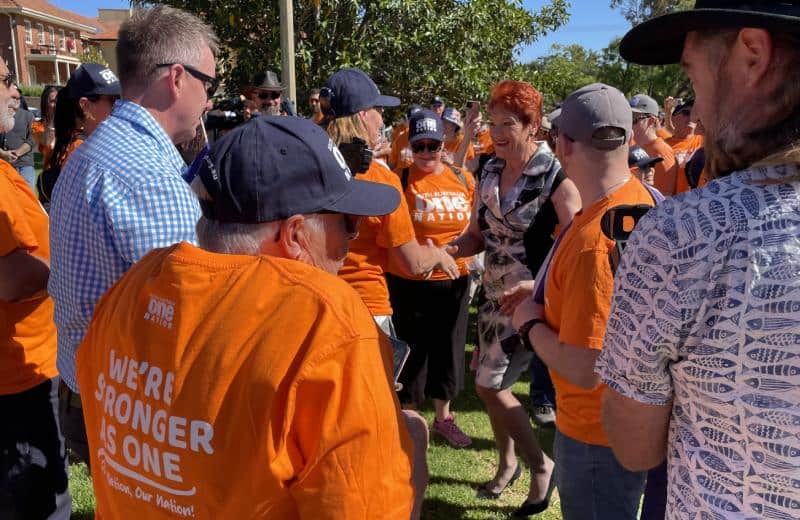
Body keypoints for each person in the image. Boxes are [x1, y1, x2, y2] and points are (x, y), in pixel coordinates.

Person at [76, 115, 415, 519]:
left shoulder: (134, 285)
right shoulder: (326, 320)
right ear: (293, 235)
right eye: (348, 225)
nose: (350, 243)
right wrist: (411, 460)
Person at [598, 3, 800, 520]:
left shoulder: (682, 235)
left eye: (694, 75)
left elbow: (634, 446)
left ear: (752, 55)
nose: (698, 113)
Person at [48, 5, 217, 467]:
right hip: (139, 412)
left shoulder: (89, 153)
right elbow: (189, 325)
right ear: (177, 78)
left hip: (90, 394)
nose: (209, 102)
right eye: (210, 85)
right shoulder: (149, 177)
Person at [513, 83, 654, 520]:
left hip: (594, 434)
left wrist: (529, 322)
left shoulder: (596, 238)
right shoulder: (639, 202)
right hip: (627, 425)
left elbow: (585, 366)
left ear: (565, 143)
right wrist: (545, 299)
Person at [323, 67, 454, 518]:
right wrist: (438, 254)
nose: (384, 120)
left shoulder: (311, 162)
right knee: (388, 426)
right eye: (379, 110)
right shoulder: (379, 178)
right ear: (362, 115)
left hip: (313, 308)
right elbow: (409, 264)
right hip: (366, 313)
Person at [449, 80, 580, 516]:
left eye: (508, 123)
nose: (497, 131)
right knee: (489, 389)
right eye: (492, 122)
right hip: (490, 299)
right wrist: (451, 251)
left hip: (530, 302)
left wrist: (538, 288)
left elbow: (578, 247)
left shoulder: (556, 177)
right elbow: (477, 236)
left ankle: (540, 465)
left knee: (490, 385)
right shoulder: (487, 166)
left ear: (533, 126)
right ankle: (507, 463)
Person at [0, 58, 70, 520]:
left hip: (28, 367)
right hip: (19, 377)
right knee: (41, 504)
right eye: (5, 81)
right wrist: (72, 269)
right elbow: (10, 278)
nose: (13, 93)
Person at [388, 110, 475, 448]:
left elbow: (473, 224)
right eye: (420, 146)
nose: (426, 153)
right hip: (410, 280)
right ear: (411, 145)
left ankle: (443, 418)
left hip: (455, 278)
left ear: (444, 144)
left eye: (433, 146)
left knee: (448, 350)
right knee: (413, 352)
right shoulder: (400, 178)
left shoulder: (462, 178)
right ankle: (410, 418)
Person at [37, 63, 121, 208]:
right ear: (85, 105)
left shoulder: (82, 142)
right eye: (112, 99)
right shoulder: (81, 149)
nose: (118, 105)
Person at [629, 93, 678, 195]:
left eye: (633, 119)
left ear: (651, 121)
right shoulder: (632, 145)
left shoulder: (662, 152)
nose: (627, 124)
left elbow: (663, 198)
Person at [0, 85, 35, 188]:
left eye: (18, 98)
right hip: (3, 165)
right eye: (12, 97)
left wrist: (16, 153)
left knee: (26, 197)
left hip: (24, 164)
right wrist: (3, 154)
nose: (15, 100)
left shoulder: (28, 116)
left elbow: (32, 139)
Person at [665, 99, 704, 168]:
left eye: (696, 114)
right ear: (674, 118)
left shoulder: (704, 140)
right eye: (686, 113)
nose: (692, 117)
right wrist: (668, 112)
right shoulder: (663, 146)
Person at [388, 104, 423, 170]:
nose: (415, 122)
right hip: (401, 179)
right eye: (412, 119)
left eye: (418, 118)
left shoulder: (430, 140)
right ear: (407, 120)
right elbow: (391, 165)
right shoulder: (399, 139)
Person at [32, 85, 58, 166]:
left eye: (59, 100)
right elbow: (43, 150)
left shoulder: (70, 125)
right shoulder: (37, 127)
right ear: (45, 104)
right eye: (52, 101)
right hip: (50, 172)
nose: (57, 104)